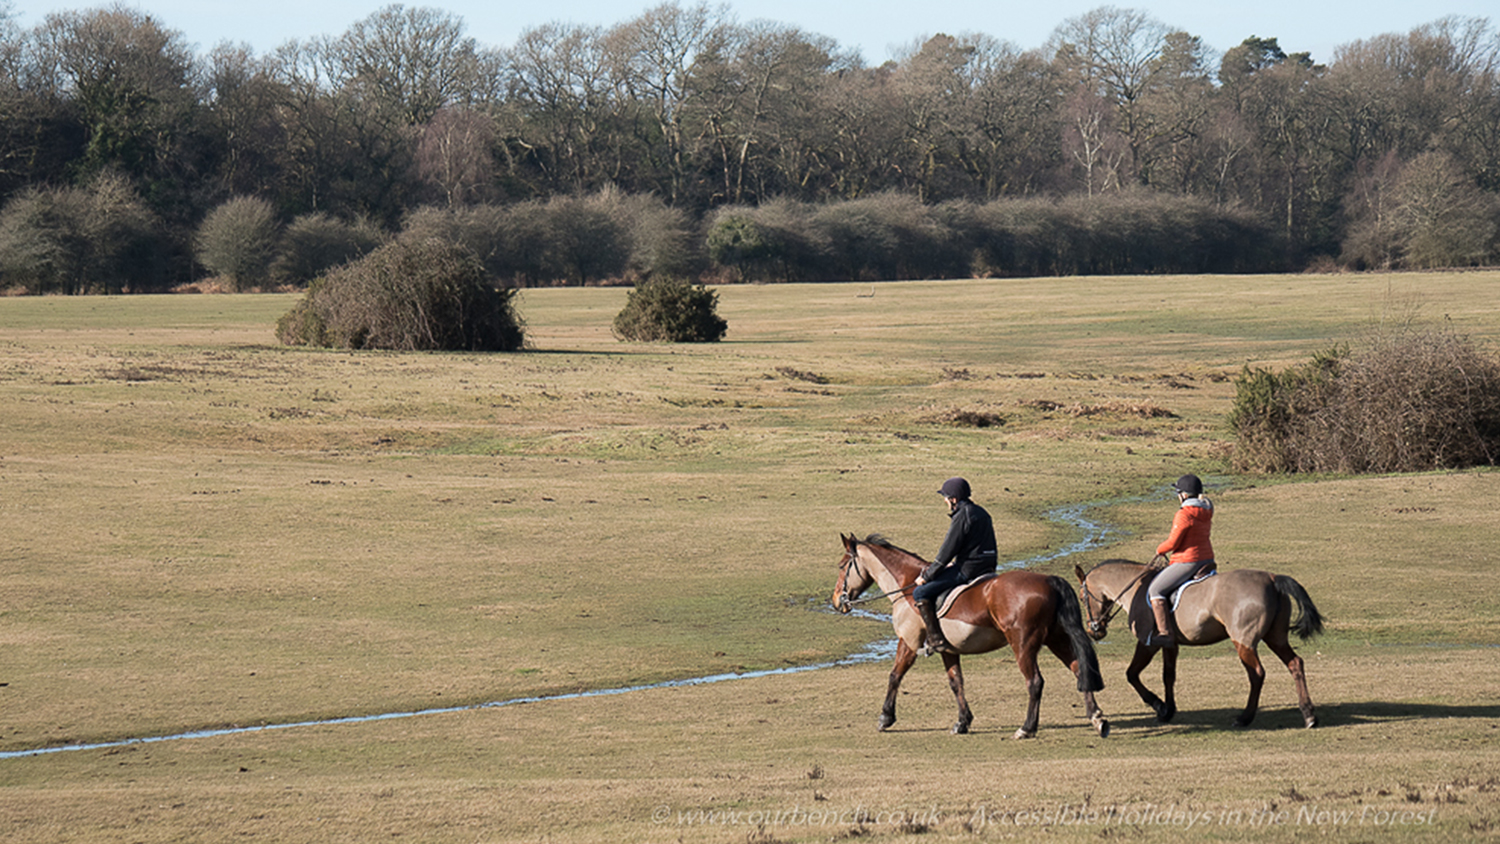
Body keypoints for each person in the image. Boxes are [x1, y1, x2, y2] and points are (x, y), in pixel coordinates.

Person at [913, 477, 998, 655]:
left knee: (919, 592)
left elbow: (947, 550)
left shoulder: (961, 516)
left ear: (954, 499)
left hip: (968, 569)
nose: (944, 500)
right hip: (987, 567)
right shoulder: (982, 512)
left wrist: (927, 576)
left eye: (945, 497)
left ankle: (935, 640)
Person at [1146, 474, 1216, 647]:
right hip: (1207, 559)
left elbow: (1172, 543)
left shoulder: (1183, 514)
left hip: (1188, 561)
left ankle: (1164, 633)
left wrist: (1159, 549)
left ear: (1184, 495)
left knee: (1155, 590)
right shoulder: (1207, 509)